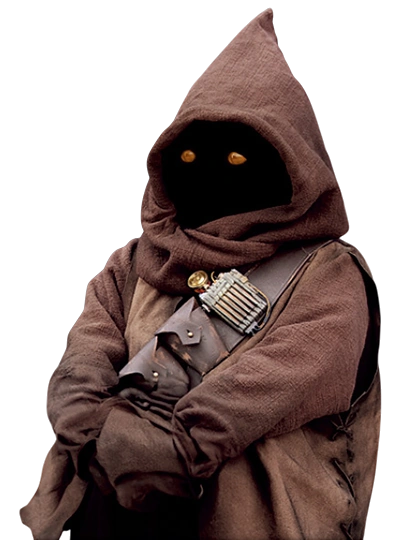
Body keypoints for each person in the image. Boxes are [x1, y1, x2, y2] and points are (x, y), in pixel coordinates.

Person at [20, 8, 381, 540]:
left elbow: (266, 386)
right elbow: (85, 358)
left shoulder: (327, 275)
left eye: (237, 160)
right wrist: (88, 430)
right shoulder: (134, 262)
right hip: (108, 513)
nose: (209, 172)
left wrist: (167, 447)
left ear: (289, 164)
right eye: (188, 156)